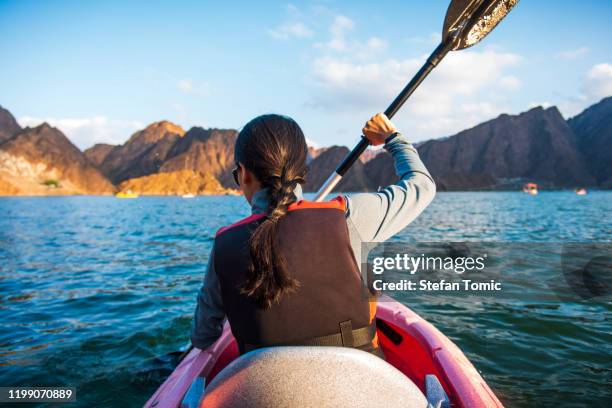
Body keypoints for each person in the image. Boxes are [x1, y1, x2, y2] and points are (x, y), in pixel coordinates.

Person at [191, 113, 435, 356]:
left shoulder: (225, 244)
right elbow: (422, 186)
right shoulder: (348, 218)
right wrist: (392, 138)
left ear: (243, 174)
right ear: (303, 173)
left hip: (263, 392)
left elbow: (203, 337)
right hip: (360, 385)